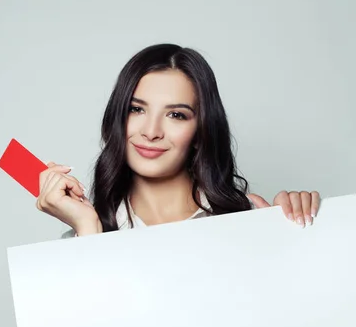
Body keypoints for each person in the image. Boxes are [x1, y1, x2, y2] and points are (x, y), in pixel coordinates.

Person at [35, 43, 320, 237]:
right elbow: (86, 322)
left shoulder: (249, 214)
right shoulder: (86, 235)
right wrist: (87, 227)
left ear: (201, 131)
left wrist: (300, 225)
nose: (151, 131)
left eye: (176, 115)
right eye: (136, 109)